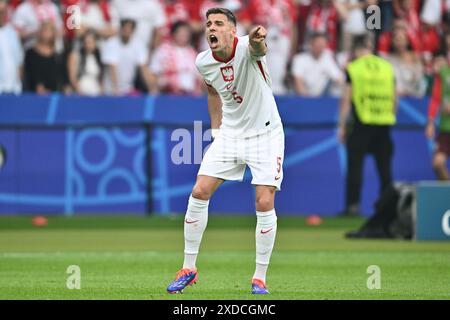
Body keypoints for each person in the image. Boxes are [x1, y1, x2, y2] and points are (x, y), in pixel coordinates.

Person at [166, 8, 285, 295]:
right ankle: (188, 268)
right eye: (208, 24)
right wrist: (217, 131)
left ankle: (259, 277)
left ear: (233, 31)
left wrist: (258, 38)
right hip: (230, 134)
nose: (211, 28)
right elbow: (212, 93)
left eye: (219, 24)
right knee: (199, 191)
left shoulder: (247, 47)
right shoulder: (203, 62)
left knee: (264, 200)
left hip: (265, 134)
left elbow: (259, 48)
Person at [337, 36, 397, 217]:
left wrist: (341, 125)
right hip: (384, 124)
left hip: (361, 123)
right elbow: (395, 98)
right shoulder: (387, 68)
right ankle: (387, 208)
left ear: (356, 51)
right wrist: (390, 115)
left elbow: (347, 99)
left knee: (355, 167)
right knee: (385, 170)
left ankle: (353, 206)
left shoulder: (354, 69)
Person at [101, 19, 155, 95]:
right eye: (125, 29)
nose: (127, 31)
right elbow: (112, 68)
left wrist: (152, 89)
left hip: (128, 89)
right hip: (111, 89)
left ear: (133, 31)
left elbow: (143, 68)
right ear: (121, 29)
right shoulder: (112, 44)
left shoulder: (138, 45)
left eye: (129, 29)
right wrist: (115, 88)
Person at [149, 21, 200, 95]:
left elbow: (199, 77)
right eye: (181, 32)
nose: (184, 35)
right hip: (167, 94)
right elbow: (153, 73)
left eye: (186, 32)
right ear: (173, 33)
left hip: (189, 96)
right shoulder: (162, 50)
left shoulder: (193, 53)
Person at [291, 32, 344, 96]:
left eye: (323, 44)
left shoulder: (328, 58)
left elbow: (339, 78)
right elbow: (298, 82)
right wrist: (306, 100)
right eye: (318, 44)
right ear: (311, 44)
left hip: (319, 98)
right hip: (301, 98)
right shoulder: (299, 59)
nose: (320, 46)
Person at [23, 22, 65, 94]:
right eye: (44, 30)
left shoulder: (57, 56)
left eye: (49, 30)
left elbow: (62, 76)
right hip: (34, 95)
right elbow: (30, 73)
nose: (46, 33)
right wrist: (39, 87)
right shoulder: (30, 53)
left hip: (54, 95)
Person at [425, 63, 450, 181]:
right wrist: (430, 123)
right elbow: (435, 99)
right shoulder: (443, 72)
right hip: (446, 129)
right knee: (437, 163)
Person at [67, 30, 104, 95]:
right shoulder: (76, 55)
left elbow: (99, 79)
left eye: (91, 42)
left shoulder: (98, 57)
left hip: (95, 93)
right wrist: (79, 91)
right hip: (81, 92)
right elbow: (72, 77)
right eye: (86, 42)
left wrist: (101, 92)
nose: (88, 45)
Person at [0, 0, 23, 94]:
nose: (1, 15)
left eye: (3, 12)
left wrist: (18, 83)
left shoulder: (12, 32)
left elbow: (19, 61)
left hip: (14, 89)